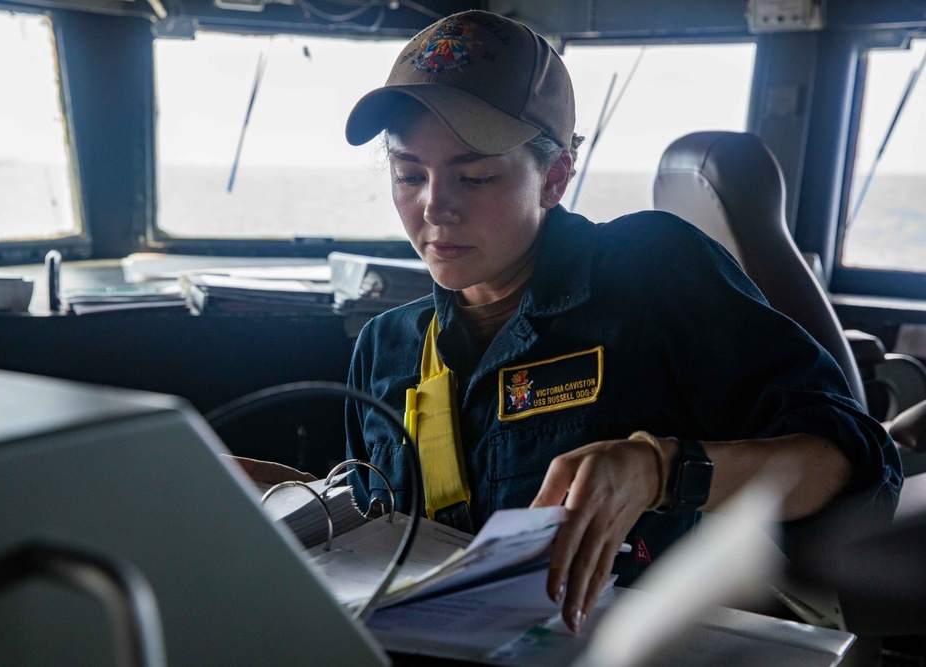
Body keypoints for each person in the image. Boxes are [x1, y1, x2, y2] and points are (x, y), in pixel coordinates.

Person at [246, 9, 901, 633]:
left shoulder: (653, 275)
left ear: (556, 176)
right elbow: (376, 523)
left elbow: (856, 462)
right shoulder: (388, 347)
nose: (434, 208)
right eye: (407, 173)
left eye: (474, 177)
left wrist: (659, 469)